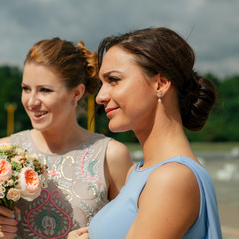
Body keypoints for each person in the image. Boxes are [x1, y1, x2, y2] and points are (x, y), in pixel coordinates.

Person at [70, 27, 222, 238]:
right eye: (102, 83)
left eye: (114, 80)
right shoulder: (137, 172)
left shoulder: (172, 178)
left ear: (160, 84)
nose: (100, 96)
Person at [0, 37, 133, 239]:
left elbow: (129, 232)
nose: (32, 101)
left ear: (76, 93)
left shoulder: (111, 155)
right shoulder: (5, 152)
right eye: (26, 88)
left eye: (45, 90)